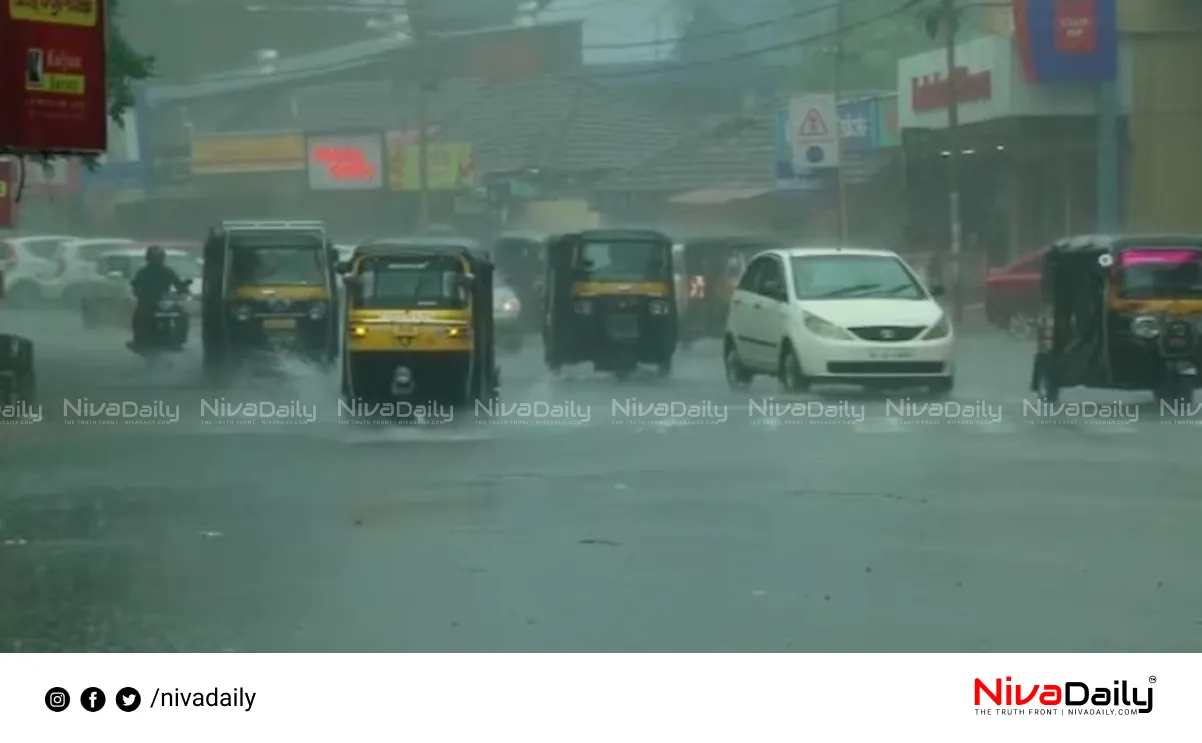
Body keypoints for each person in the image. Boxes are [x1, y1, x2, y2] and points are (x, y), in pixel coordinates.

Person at [129, 245, 189, 349]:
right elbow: (135, 285)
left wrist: (183, 289)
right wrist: (139, 296)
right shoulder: (145, 272)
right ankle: (139, 340)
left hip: (163, 303)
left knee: (183, 315)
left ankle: (179, 340)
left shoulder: (165, 271)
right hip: (148, 302)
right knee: (138, 317)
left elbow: (179, 285)